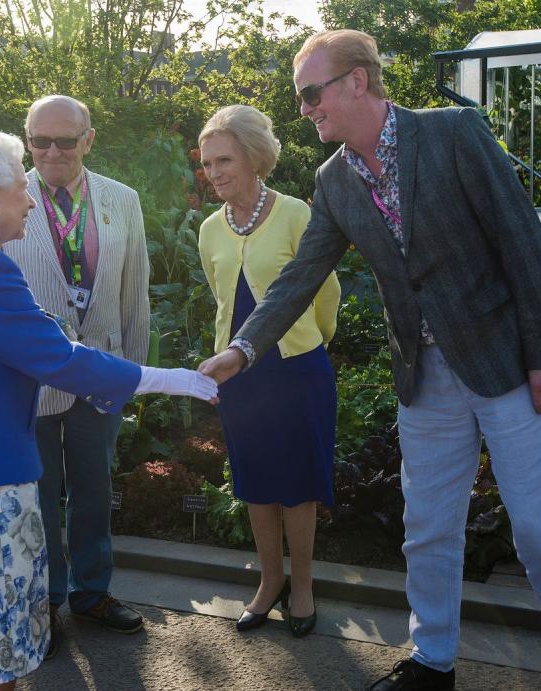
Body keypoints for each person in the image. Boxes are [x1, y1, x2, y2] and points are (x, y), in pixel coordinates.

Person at [198, 30, 541, 691]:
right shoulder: (333, 182)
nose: (304, 108)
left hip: (503, 365)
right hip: (423, 379)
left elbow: (523, 242)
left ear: (357, 82)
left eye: (311, 93)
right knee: (426, 529)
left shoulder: (453, 133)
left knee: (538, 528)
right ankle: (432, 661)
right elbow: (300, 277)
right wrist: (243, 348)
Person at [0, 127, 217, 690]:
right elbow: (60, 361)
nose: (31, 197)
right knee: (8, 630)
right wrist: (172, 378)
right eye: (21, 186)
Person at [2, 95, 152, 640]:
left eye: (66, 140)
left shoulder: (122, 199)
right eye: (40, 140)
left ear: (89, 139)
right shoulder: (3, 196)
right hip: (29, 381)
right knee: (37, 501)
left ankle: (92, 593)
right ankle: (45, 606)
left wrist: (129, 373)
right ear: (27, 139)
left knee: (93, 493)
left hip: (100, 376)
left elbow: (135, 292)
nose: (52, 151)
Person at [197, 105, 341, 638]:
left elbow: (325, 290)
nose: (214, 172)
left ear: (256, 158)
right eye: (208, 163)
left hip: (297, 368)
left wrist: (316, 343)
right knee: (255, 481)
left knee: (299, 484)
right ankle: (269, 580)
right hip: (240, 378)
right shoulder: (211, 229)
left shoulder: (296, 213)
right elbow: (220, 302)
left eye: (224, 160)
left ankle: (302, 584)